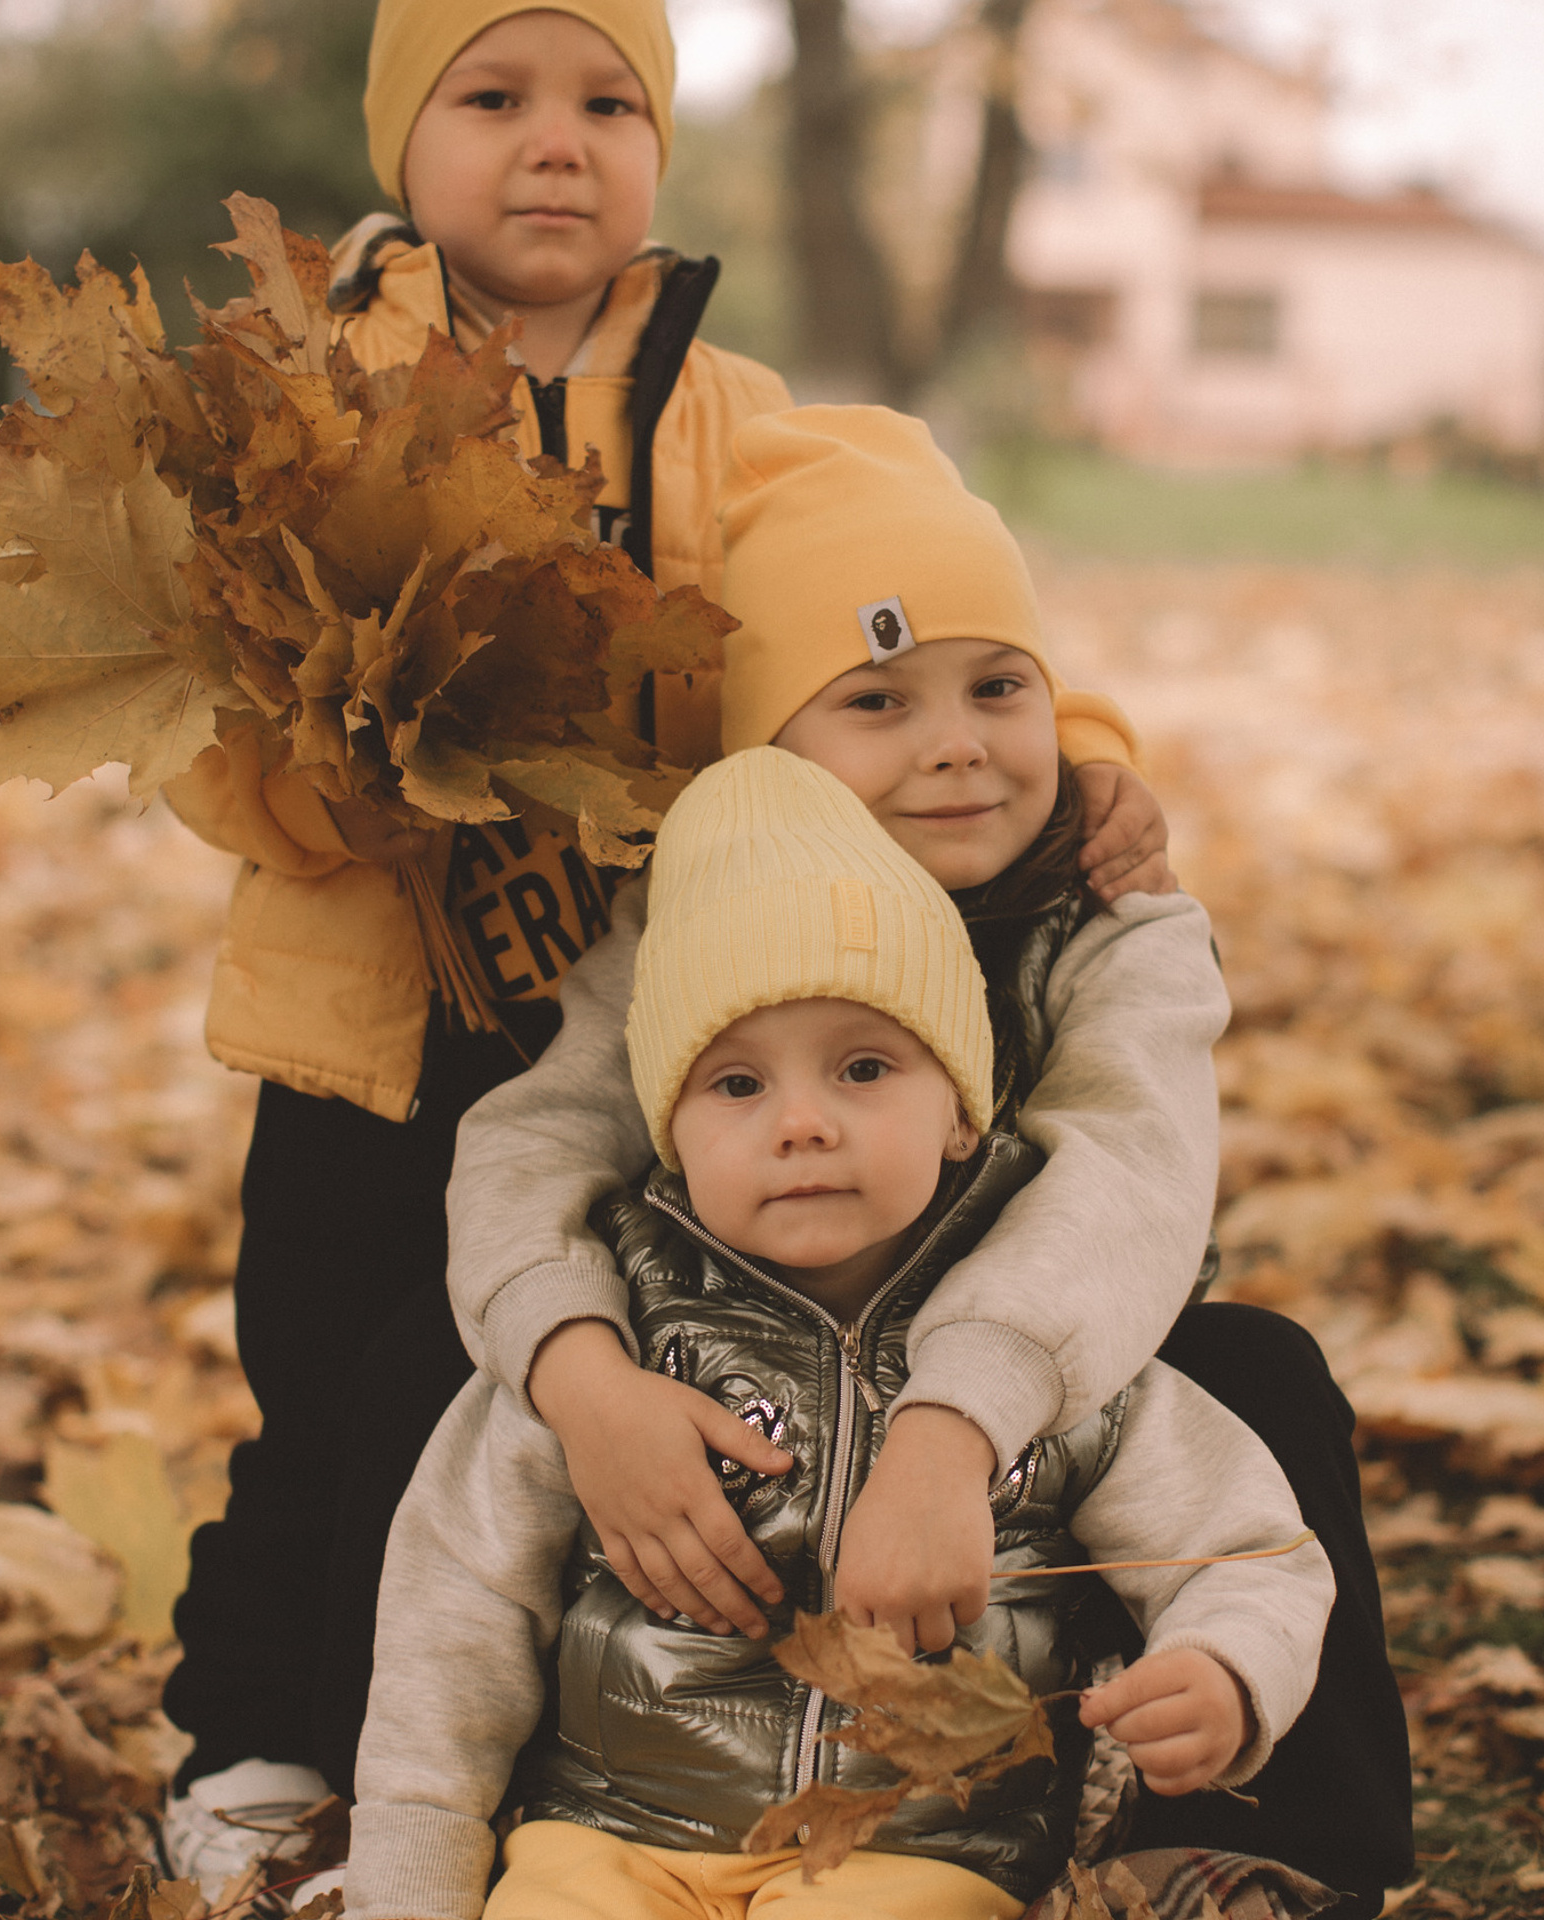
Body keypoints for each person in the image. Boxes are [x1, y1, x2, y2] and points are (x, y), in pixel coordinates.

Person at [155, 1, 1174, 1888]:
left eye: (611, 102)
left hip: (637, 1002)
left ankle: (567, 1717)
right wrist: (334, 773)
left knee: (575, 1354)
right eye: (495, 95)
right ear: (402, 141)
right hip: (375, 1021)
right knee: (336, 1388)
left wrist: (1087, 740)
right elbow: (214, 725)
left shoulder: (718, 406)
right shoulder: (315, 398)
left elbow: (908, 578)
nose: (559, 140)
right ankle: (264, 1740)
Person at [442, 409, 1414, 1915]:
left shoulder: (1111, 922)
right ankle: (409, 1810)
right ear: (770, 754)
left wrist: (952, 1432)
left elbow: (1130, 1180)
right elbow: (539, 1140)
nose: (956, 742)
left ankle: (1258, 1842)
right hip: (743, 1373)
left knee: (1263, 1374)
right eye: (878, 700)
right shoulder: (695, 915)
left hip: (1049, 1403)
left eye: (998, 687)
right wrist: (583, 1382)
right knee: (459, 1360)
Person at [345, 746, 1338, 1920]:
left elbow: (1246, 1551)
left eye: (864, 1068)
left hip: (913, 1857)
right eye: (736, 1086)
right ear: (667, 1133)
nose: (803, 1123)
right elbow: (451, 1623)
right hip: (606, 1839)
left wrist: (1225, 1671)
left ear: (961, 1113)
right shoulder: (613, 1343)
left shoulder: (1056, 1356)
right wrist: (409, 1889)